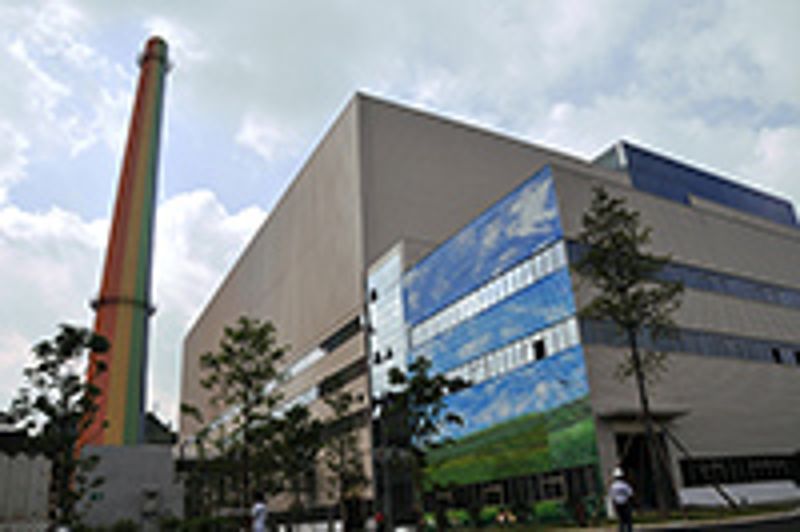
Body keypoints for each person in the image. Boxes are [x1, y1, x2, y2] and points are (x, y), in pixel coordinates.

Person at [609, 467, 634, 532]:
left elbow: (612, 496)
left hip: (617, 503)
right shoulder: (625, 485)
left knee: (621, 520)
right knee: (628, 520)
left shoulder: (613, 486)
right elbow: (630, 494)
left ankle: (621, 530)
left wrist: (614, 505)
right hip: (625, 503)